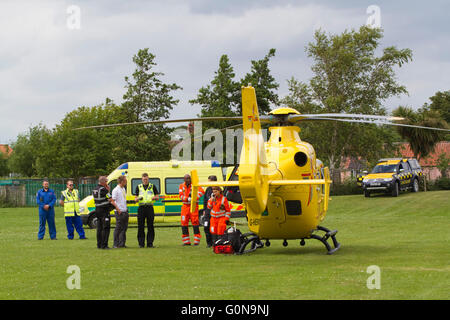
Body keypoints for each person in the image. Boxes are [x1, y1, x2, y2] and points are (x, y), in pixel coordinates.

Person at [92, 176, 120, 249]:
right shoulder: (103, 190)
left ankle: (99, 244)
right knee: (106, 228)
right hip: (104, 211)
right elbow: (110, 199)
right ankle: (104, 245)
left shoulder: (95, 189)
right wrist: (117, 208)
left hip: (97, 210)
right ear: (103, 182)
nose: (107, 183)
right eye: (106, 182)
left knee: (99, 228)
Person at [134, 173, 159, 248]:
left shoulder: (152, 186)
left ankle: (150, 243)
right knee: (140, 226)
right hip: (141, 208)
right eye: (144, 179)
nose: (145, 180)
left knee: (150, 226)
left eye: (146, 179)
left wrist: (155, 198)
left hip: (149, 207)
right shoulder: (139, 187)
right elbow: (135, 199)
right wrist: (138, 199)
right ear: (142, 179)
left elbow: (157, 196)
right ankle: (141, 244)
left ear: (148, 179)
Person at [179, 174, 205, 246]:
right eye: (186, 179)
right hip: (185, 206)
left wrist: (194, 197)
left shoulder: (195, 185)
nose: (188, 180)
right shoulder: (181, 186)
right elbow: (181, 196)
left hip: (193, 206)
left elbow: (202, 191)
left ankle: (196, 241)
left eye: (189, 178)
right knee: (184, 223)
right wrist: (187, 198)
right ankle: (186, 241)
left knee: (195, 222)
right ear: (184, 179)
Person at [112, 175, 129, 248]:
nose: (126, 182)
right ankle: (116, 244)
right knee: (118, 228)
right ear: (122, 181)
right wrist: (118, 209)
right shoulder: (116, 190)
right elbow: (112, 201)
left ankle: (122, 243)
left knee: (124, 228)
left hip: (125, 211)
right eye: (125, 180)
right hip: (119, 212)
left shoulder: (123, 189)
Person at [202, 175, 217, 247]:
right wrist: (204, 210)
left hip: (215, 212)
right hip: (207, 212)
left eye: (209, 181)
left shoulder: (218, 190)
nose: (208, 183)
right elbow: (205, 200)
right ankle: (209, 243)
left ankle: (215, 242)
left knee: (214, 228)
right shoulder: (208, 189)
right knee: (206, 226)